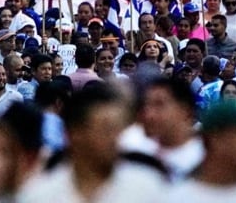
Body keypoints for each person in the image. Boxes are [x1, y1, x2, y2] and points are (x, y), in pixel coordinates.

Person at [19, 85, 165, 202]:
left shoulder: (146, 187)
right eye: (106, 129)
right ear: (73, 134)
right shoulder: (39, 195)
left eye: (119, 129)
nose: (116, 139)